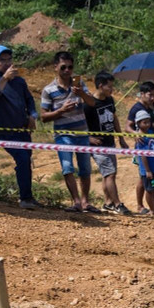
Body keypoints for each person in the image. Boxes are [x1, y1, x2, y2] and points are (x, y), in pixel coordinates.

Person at [40, 51, 99, 212]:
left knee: (85, 168)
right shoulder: (49, 90)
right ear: (55, 68)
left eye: (70, 67)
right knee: (67, 168)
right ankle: (76, 201)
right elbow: (44, 116)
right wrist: (61, 111)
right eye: (63, 67)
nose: (67, 71)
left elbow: (92, 103)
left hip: (82, 133)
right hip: (63, 134)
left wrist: (81, 93)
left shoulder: (79, 85)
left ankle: (85, 202)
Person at [0, 45, 39, 209]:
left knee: (25, 160)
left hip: (23, 129)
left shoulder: (20, 81)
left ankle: (28, 196)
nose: (7, 63)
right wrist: (5, 78)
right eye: (2, 60)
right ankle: (25, 199)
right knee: (21, 158)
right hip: (6, 130)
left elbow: (30, 101)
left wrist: (32, 116)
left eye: (9, 60)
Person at [86, 71, 131, 215]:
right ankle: (118, 204)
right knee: (110, 174)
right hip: (98, 146)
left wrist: (121, 138)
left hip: (110, 142)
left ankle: (108, 203)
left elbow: (114, 117)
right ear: (100, 86)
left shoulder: (109, 99)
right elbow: (80, 124)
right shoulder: (89, 104)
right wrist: (88, 138)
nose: (112, 90)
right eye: (109, 87)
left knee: (109, 174)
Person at [133, 110, 154, 217]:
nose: (147, 124)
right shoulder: (141, 138)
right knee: (149, 190)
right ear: (138, 123)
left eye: (148, 122)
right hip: (148, 171)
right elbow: (143, 155)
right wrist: (147, 170)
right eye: (144, 122)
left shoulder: (150, 133)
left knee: (153, 188)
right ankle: (153, 211)